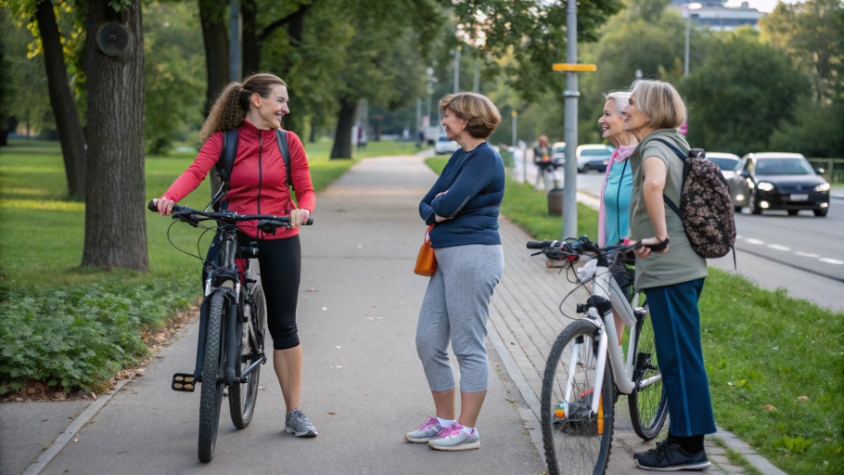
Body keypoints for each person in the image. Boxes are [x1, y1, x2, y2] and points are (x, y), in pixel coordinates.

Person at [154, 73, 319, 438]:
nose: (285, 108)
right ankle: (220, 342)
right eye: (280, 100)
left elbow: (305, 189)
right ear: (257, 101)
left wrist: (303, 211)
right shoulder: (223, 141)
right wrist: (170, 197)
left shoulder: (289, 142)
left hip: (280, 230)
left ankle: (294, 412)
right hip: (233, 229)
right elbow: (196, 171)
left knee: (284, 325)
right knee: (215, 292)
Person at [623, 79, 715, 471]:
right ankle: (681, 440)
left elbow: (655, 184)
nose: (625, 108)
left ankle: (690, 449)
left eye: (631, 102)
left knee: (679, 359)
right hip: (679, 268)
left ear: (651, 110)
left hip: (670, 268)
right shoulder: (670, 142)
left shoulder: (657, 146)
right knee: (679, 356)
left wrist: (659, 236)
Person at [408, 92, 505, 451]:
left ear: (465, 119)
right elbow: (427, 205)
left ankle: (467, 429)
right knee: (428, 341)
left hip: (474, 256)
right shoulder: (460, 157)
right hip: (446, 257)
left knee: (467, 345)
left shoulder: (484, 159)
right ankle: (445, 420)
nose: (443, 121)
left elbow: (445, 203)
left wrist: (442, 206)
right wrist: (440, 207)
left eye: (447, 115)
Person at [597, 91, 638, 341]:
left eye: (607, 113)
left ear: (626, 117)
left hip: (637, 254)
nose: (601, 119)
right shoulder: (616, 158)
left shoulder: (643, 158)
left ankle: (609, 378)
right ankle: (608, 379)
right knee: (606, 324)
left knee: (612, 326)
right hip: (612, 255)